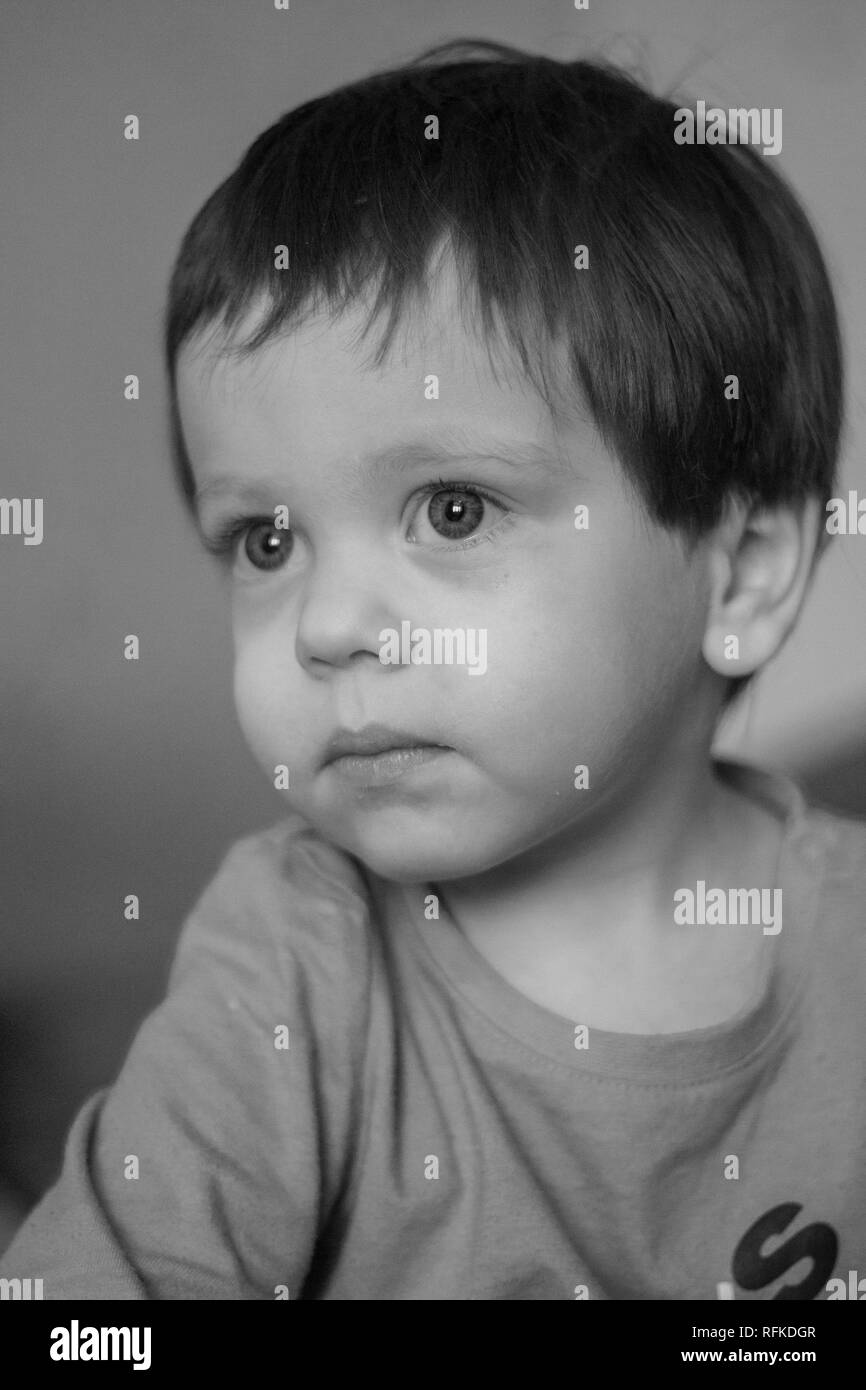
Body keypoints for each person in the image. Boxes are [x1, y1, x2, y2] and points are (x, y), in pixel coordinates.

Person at [2, 38, 861, 1301]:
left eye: (452, 510)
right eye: (267, 539)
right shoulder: (295, 957)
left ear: (735, 576)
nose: (327, 625)